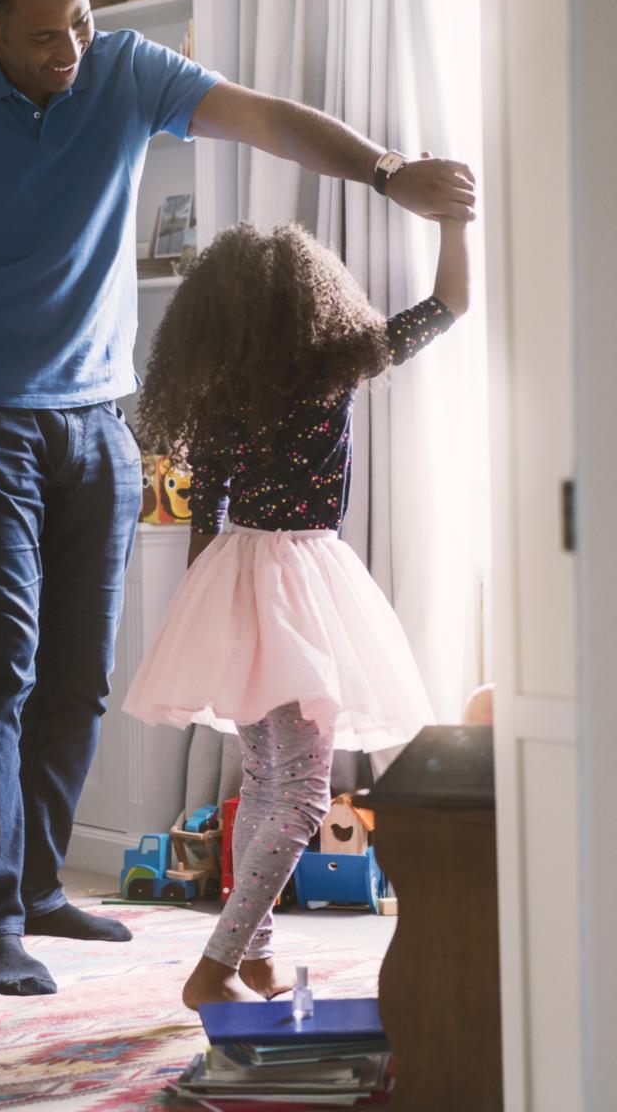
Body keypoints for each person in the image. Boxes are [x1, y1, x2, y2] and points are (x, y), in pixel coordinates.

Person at [0, 0, 475, 997]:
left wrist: (388, 172)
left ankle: (37, 885)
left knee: (76, 673)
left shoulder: (124, 70)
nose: (70, 50)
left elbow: (264, 120)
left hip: (98, 417)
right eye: (41, 37)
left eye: (79, 22)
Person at [121, 217, 473, 1010]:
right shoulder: (336, 365)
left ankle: (255, 957)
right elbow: (450, 303)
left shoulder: (216, 390)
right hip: (299, 581)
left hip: (232, 578)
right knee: (305, 796)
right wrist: (454, 223)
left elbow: (203, 517)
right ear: (316, 296)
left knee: (263, 778)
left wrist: (204, 615)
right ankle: (213, 967)